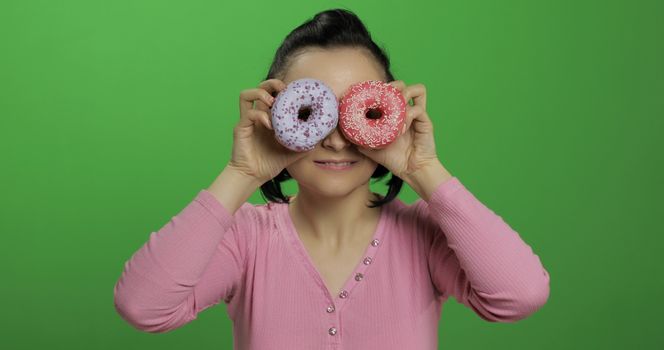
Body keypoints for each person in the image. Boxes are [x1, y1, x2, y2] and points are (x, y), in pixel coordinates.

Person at [113, 8, 550, 350]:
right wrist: (241, 173)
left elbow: (520, 294)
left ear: (389, 115)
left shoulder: (425, 239)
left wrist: (423, 170)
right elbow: (143, 307)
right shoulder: (245, 241)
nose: (337, 141)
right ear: (273, 115)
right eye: (311, 113)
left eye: (358, 113)